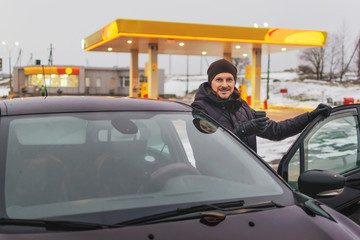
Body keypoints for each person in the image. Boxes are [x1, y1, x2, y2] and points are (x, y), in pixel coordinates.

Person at [191, 59, 332, 152]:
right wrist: (242, 131)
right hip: (215, 182)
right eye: (219, 80)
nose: (224, 85)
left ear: (234, 82)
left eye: (229, 79)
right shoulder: (200, 109)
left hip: (248, 178)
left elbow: (276, 131)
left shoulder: (241, 106)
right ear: (211, 82)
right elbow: (208, 149)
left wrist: (308, 117)